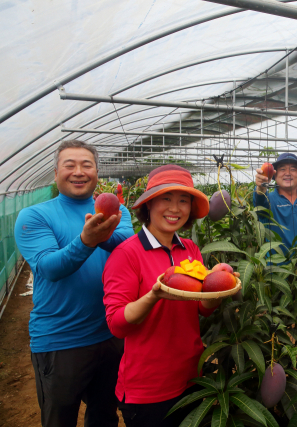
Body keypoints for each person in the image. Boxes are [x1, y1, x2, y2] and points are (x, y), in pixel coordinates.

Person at [102, 165, 235, 427]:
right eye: (166, 199)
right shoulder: (127, 254)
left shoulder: (190, 248)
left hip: (191, 378)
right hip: (148, 390)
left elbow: (203, 308)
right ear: (149, 205)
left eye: (183, 201)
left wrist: (216, 286)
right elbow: (117, 323)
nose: (175, 209)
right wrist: (154, 295)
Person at [14, 140, 133, 427]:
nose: (78, 172)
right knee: (60, 419)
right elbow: (48, 267)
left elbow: (128, 246)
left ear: (96, 173)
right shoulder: (34, 216)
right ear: (56, 173)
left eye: (86, 165)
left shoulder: (118, 212)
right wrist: (86, 240)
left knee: (105, 415)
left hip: (110, 336)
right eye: (69, 165)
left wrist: (102, 232)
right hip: (61, 340)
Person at [254, 152, 297, 251]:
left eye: (293, 169)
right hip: (276, 265)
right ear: (275, 175)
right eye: (282, 169)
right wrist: (260, 188)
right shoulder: (268, 200)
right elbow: (258, 202)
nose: (287, 173)